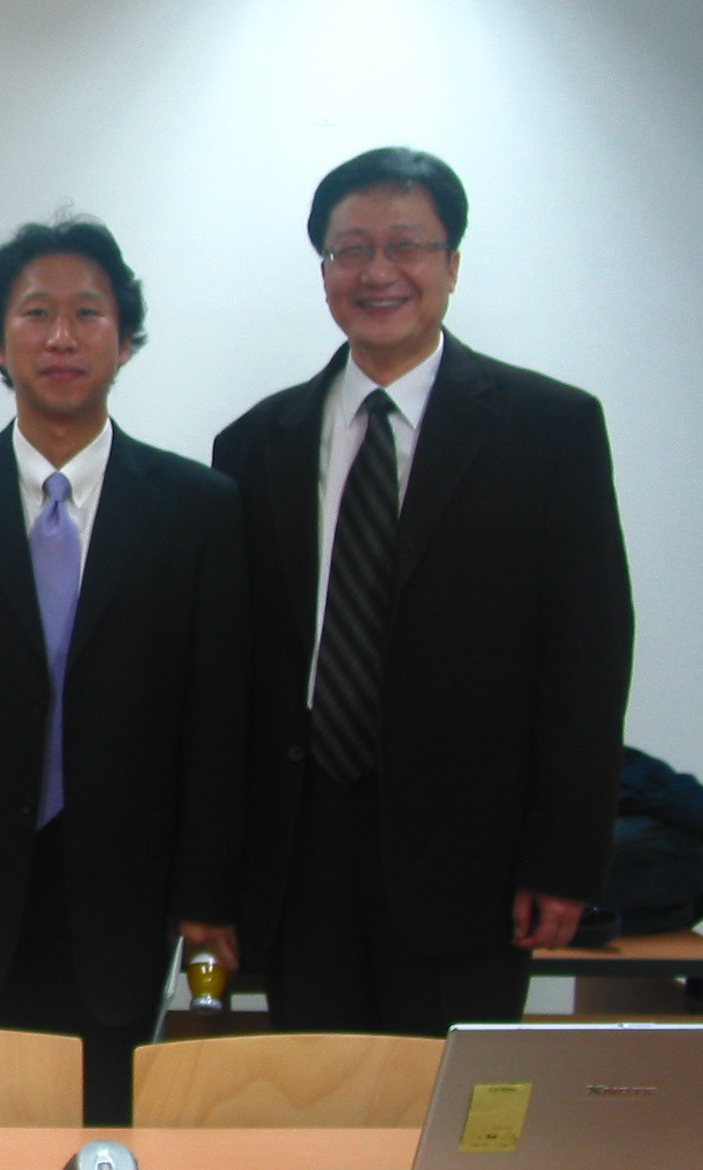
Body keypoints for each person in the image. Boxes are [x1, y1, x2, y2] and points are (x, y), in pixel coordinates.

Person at [213, 147, 633, 1035]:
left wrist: (565, 859)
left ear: (451, 263)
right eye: (350, 249)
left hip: (474, 860)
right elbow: (228, 676)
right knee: (309, 1097)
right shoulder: (253, 444)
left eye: (406, 246)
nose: (378, 273)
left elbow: (587, 657)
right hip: (297, 853)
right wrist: (214, 877)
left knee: (445, 1106)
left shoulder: (548, 431)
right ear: (324, 269)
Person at [0, 219, 245, 1125]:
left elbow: (219, 716)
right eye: (36, 314)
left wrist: (206, 895)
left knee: (111, 1129)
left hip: (130, 890)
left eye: (88, 314)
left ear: (126, 340)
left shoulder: (198, 509)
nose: (62, 336)